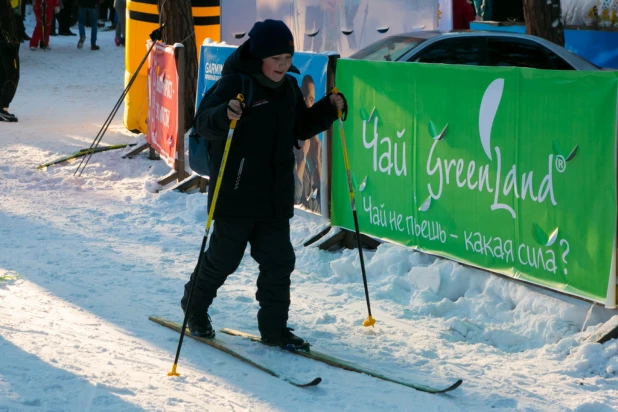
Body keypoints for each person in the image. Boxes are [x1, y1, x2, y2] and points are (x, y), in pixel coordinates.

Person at [182, 19, 345, 347]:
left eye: (288, 59)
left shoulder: (287, 90)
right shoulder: (235, 84)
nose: (284, 66)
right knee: (224, 259)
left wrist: (328, 109)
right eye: (277, 60)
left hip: (273, 195)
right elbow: (202, 122)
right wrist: (225, 114)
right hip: (236, 194)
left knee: (279, 262)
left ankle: (274, 329)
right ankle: (194, 308)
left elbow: (299, 126)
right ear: (259, 58)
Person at [294, 74, 322, 213]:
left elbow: (325, 199)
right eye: (305, 99)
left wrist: (317, 162)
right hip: (301, 225)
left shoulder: (317, 146)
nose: (308, 105)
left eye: (311, 100)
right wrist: (302, 158)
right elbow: (294, 198)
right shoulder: (292, 142)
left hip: (317, 221)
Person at [0, 0, 20, 122]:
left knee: (2, 73)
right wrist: (11, 42)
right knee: (12, 74)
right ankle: (3, 107)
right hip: (5, 43)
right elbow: (6, 23)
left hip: (3, 42)